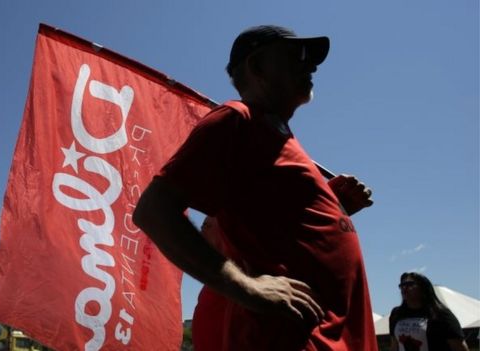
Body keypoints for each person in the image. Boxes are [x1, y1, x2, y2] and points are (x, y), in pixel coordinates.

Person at [133, 24, 378, 350]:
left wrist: (335, 207)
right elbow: (154, 211)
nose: (312, 65)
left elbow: (276, 228)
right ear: (258, 67)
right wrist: (244, 287)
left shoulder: (282, 141)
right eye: (297, 56)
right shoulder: (238, 118)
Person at [389, 272, 469, 351]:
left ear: (423, 288)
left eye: (410, 284)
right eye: (402, 285)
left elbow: (460, 347)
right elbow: (395, 345)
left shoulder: (440, 314)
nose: (404, 288)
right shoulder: (396, 314)